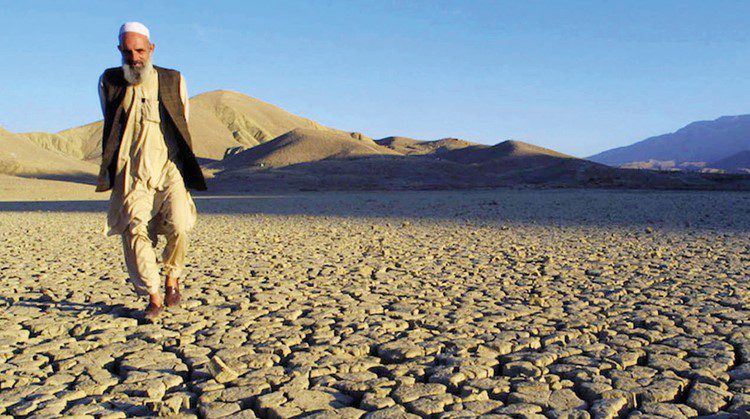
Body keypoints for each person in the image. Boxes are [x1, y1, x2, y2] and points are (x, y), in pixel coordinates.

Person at [97, 22, 207, 320]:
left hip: (169, 165)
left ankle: (173, 277)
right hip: (132, 169)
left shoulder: (173, 80)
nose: (134, 57)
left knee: (180, 225)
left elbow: (183, 120)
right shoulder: (110, 81)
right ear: (120, 50)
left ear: (152, 49)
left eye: (140, 50)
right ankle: (154, 296)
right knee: (134, 230)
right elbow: (111, 122)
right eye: (128, 51)